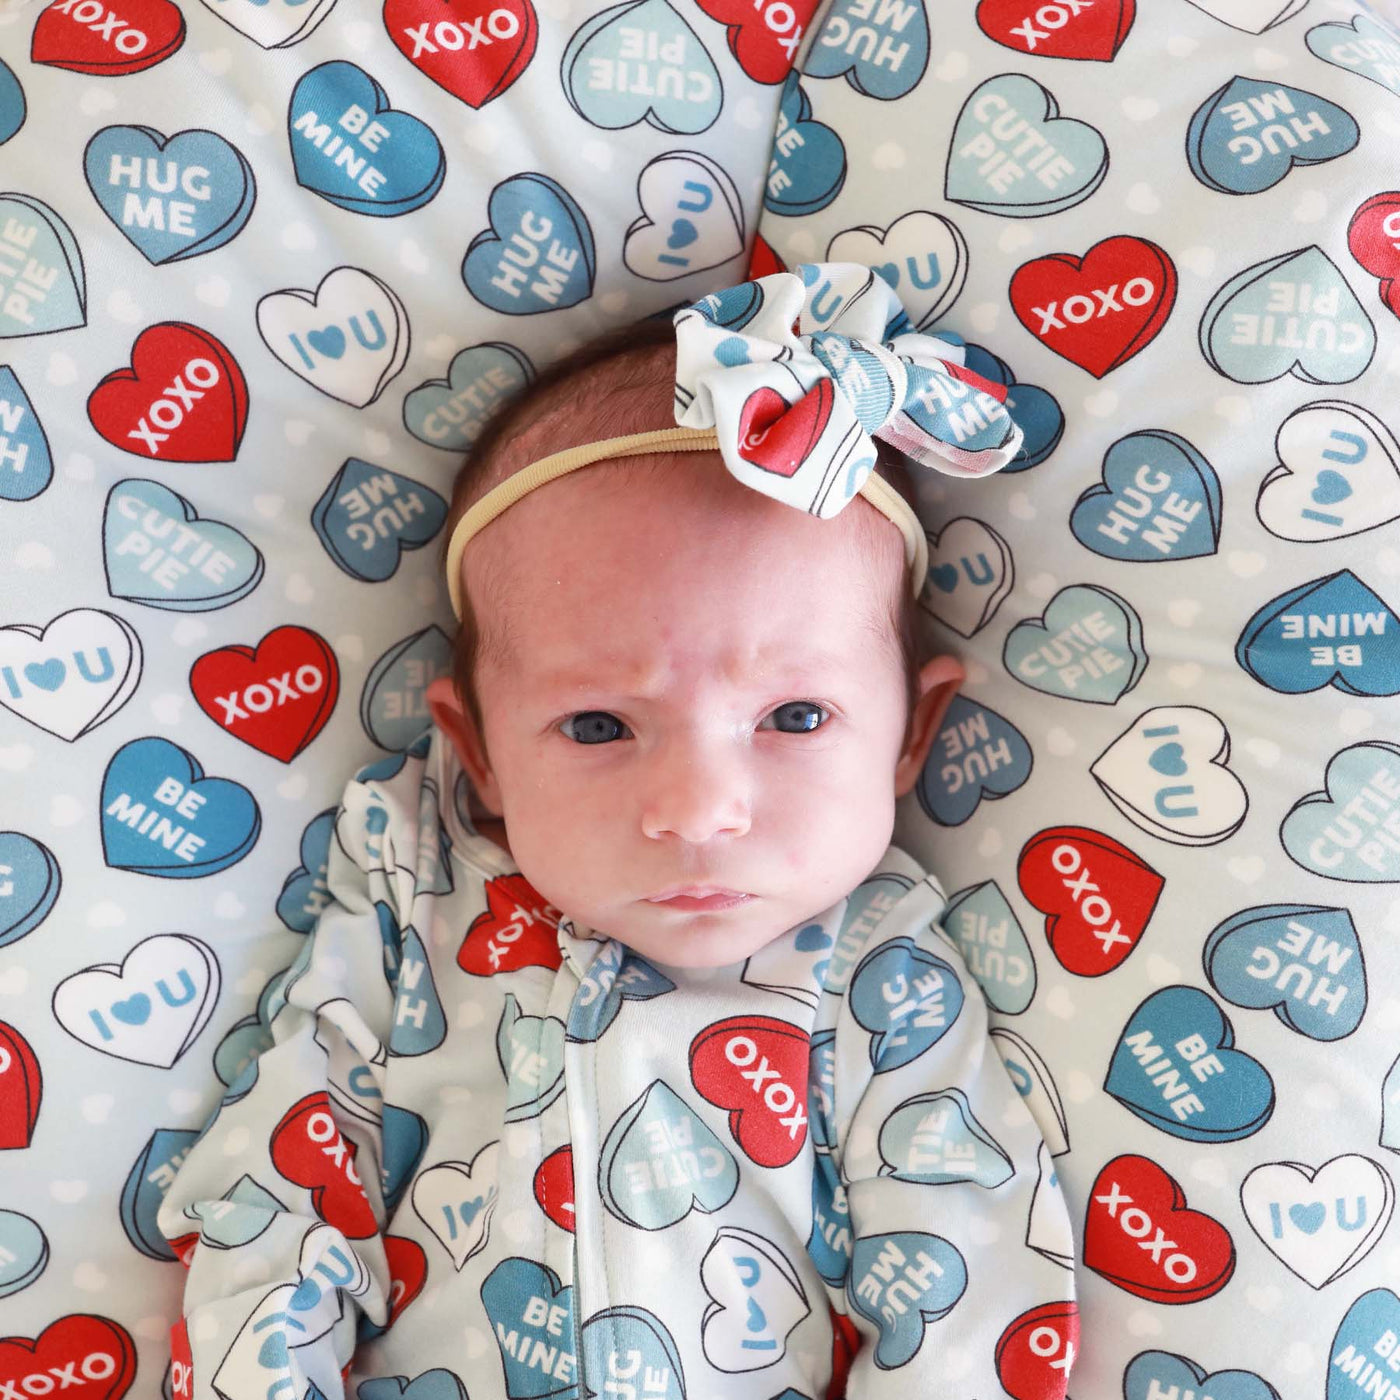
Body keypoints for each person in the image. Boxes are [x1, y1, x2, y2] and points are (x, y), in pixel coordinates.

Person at [157, 262, 1078, 1400]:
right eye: (597, 725)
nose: (696, 811)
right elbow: (278, 1195)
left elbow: (963, 1287)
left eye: (794, 717)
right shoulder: (410, 898)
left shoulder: (879, 973)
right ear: (481, 750)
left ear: (910, 734)